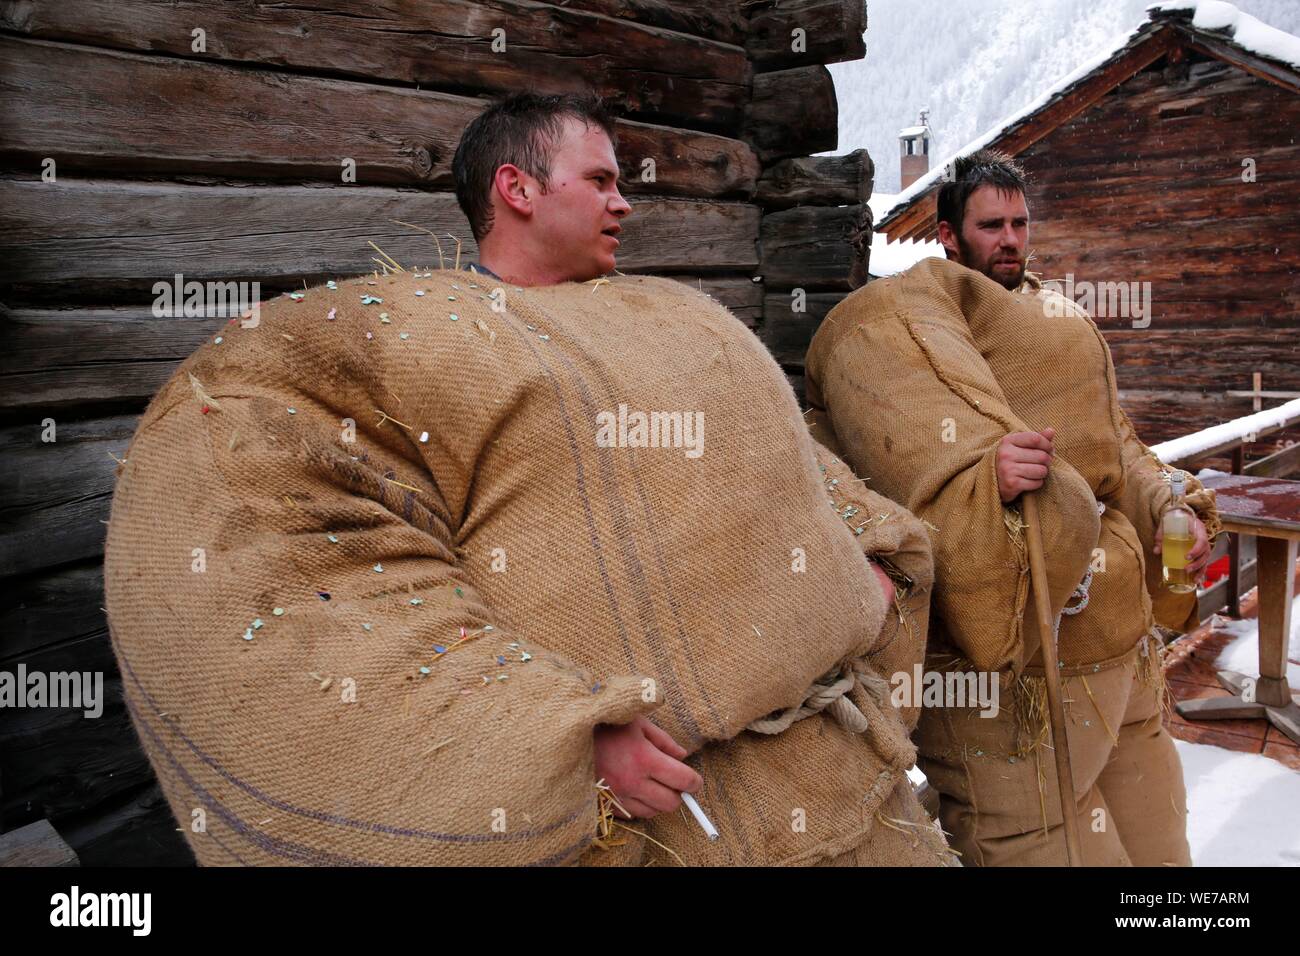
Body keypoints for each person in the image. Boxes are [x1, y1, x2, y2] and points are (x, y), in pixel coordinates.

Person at [104, 93, 952, 866]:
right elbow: (295, 570)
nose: (625, 201)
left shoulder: (679, 313)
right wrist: (551, 742)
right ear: (517, 187)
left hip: (856, 787)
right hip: (668, 834)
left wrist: (867, 565)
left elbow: (793, 461)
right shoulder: (410, 340)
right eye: (601, 179)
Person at [805, 149, 1221, 866]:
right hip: (1026, 681)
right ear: (946, 233)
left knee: (1163, 853)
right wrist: (981, 475)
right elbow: (902, 455)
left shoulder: (1053, 318)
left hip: (1124, 648)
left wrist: (1167, 501)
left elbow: (1115, 442)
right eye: (991, 224)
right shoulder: (914, 326)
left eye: (1020, 223)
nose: (1009, 239)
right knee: (1032, 844)